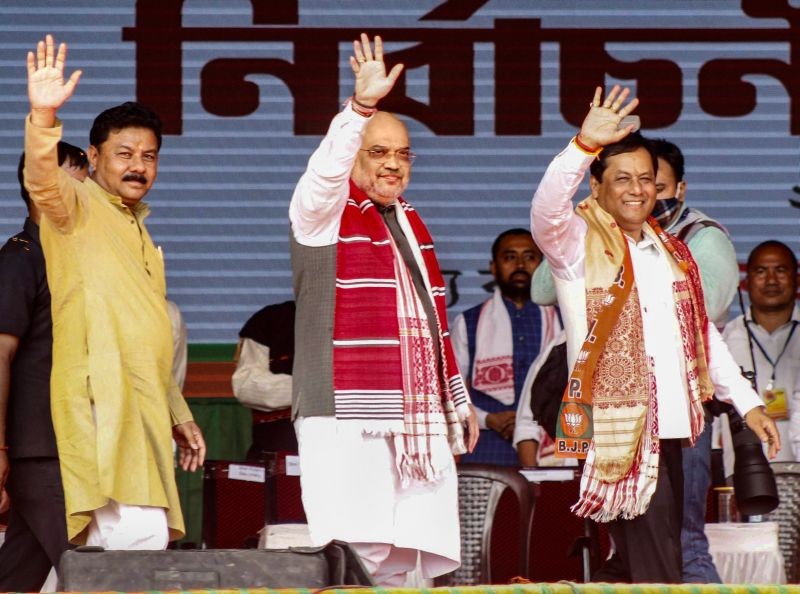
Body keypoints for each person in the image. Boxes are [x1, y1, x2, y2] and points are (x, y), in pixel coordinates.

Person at [530, 85, 780, 583]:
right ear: (595, 188)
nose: (637, 189)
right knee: (657, 566)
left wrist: (748, 404)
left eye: (646, 179)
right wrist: (582, 146)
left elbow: (701, 334)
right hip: (619, 432)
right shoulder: (576, 244)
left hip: (675, 430)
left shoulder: (672, 252)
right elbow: (547, 208)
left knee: (637, 563)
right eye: (621, 178)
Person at [288, 34, 478, 586]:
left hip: (415, 415)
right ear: (353, 155)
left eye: (402, 153)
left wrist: (453, 399)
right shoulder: (321, 214)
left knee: (408, 563)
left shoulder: (409, 225)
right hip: (345, 413)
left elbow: (429, 325)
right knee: (357, 556)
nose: (393, 164)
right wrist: (358, 111)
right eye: (378, 151)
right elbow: (324, 174)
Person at [23, 34, 206, 549]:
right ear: (93, 156)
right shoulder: (75, 207)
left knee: (107, 557)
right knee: (137, 545)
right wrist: (42, 116)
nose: (138, 166)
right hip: (101, 407)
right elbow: (41, 180)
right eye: (124, 153)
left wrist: (179, 413)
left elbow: (149, 337)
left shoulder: (140, 229)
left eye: (149, 156)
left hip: (142, 412)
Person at [0, 142, 86, 592]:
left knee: (17, 572)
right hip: (41, 449)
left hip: (65, 444)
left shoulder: (71, 259)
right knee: (91, 574)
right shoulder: (21, 257)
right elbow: (0, 356)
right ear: (40, 187)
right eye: (76, 184)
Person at [451, 229, 560, 465]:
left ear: (542, 266)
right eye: (510, 257)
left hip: (549, 450)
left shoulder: (563, 321)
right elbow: (450, 392)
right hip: (485, 451)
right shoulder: (468, 322)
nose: (520, 264)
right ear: (493, 267)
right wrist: (488, 419)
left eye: (530, 257)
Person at [722, 241, 800, 472]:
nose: (771, 280)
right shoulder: (729, 336)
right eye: (761, 271)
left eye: (781, 270)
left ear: (796, 279)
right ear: (746, 281)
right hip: (742, 475)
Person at [232, 300, 298, 458]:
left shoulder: (362, 321)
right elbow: (245, 385)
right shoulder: (270, 320)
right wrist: (312, 389)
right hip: (274, 460)